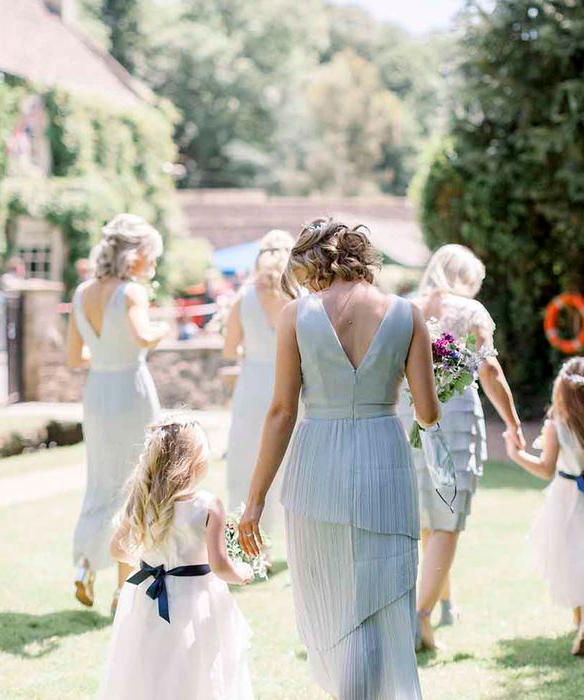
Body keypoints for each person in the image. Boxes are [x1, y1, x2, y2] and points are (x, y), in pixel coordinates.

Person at [239, 219, 440, 699]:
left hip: (318, 463)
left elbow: (282, 411)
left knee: (332, 598)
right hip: (383, 456)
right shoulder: (407, 313)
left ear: (315, 262)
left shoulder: (295, 315)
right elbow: (428, 411)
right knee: (381, 596)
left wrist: (254, 500)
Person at [403, 243, 525, 650]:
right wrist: (512, 421)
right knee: (447, 520)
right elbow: (489, 369)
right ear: (466, 277)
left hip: (410, 416)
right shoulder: (471, 312)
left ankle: (443, 601)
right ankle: (419, 618)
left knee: (427, 515)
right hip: (453, 420)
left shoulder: (406, 308)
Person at [98, 415, 255, 699]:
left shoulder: (142, 499)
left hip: (148, 598)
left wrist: (149, 558)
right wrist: (242, 572)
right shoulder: (208, 505)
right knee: (198, 672)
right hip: (197, 601)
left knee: (151, 671)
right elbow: (220, 566)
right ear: (195, 461)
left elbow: (116, 549)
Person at [67, 213, 167, 613]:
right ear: (134, 255)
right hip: (130, 390)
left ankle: (84, 565)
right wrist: (162, 328)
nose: (153, 266)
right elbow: (142, 335)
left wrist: (107, 353)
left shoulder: (81, 293)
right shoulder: (131, 293)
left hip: (98, 393)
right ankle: (122, 589)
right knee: (133, 483)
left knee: (100, 482)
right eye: (151, 257)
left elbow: (75, 357)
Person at [505, 356, 584, 657]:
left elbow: (545, 469)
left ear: (561, 389)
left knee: (574, 560)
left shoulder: (557, 426)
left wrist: (515, 454)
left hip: (567, 499)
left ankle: (582, 625)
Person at [223, 229, 295, 531]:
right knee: (290, 459)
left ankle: (249, 540)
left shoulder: (243, 298)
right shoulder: (297, 296)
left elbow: (229, 349)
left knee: (247, 459)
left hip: (252, 383)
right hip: (288, 382)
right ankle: (293, 536)